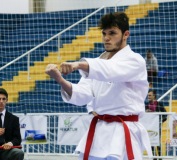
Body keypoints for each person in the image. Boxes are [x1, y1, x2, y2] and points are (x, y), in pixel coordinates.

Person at [45, 12, 152, 160]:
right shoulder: (97, 63)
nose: (107, 38)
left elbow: (110, 70)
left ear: (126, 34)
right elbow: (83, 94)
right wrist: (59, 79)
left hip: (123, 131)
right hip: (98, 130)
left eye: (112, 33)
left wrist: (78, 64)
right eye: (104, 33)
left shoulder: (135, 60)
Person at [0, 88, 24, 160]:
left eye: (3, 99)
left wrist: (10, 143)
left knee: (18, 152)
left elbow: (17, 138)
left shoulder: (14, 119)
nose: (1, 101)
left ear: (7, 100)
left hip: (8, 151)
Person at [146, 90, 167, 160]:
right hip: (149, 126)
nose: (148, 97)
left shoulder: (159, 104)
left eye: (150, 95)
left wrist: (160, 121)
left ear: (154, 96)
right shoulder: (146, 105)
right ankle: (154, 157)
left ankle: (160, 157)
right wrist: (146, 112)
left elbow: (165, 114)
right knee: (150, 142)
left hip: (157, 126)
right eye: (148, 95)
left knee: (157, 142)